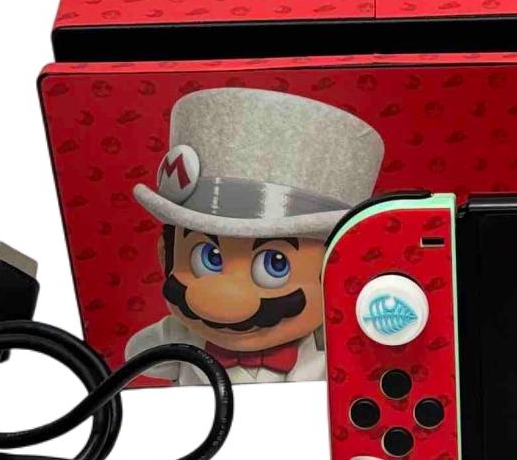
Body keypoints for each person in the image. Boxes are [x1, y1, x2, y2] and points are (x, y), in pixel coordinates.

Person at [126, 87, 384, 384]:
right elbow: (136, 355)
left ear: (337, 273)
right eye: (209, 257)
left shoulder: (332, 347)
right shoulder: (178, 337)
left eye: (275, 263)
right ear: (165, 255)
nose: (227, 295)